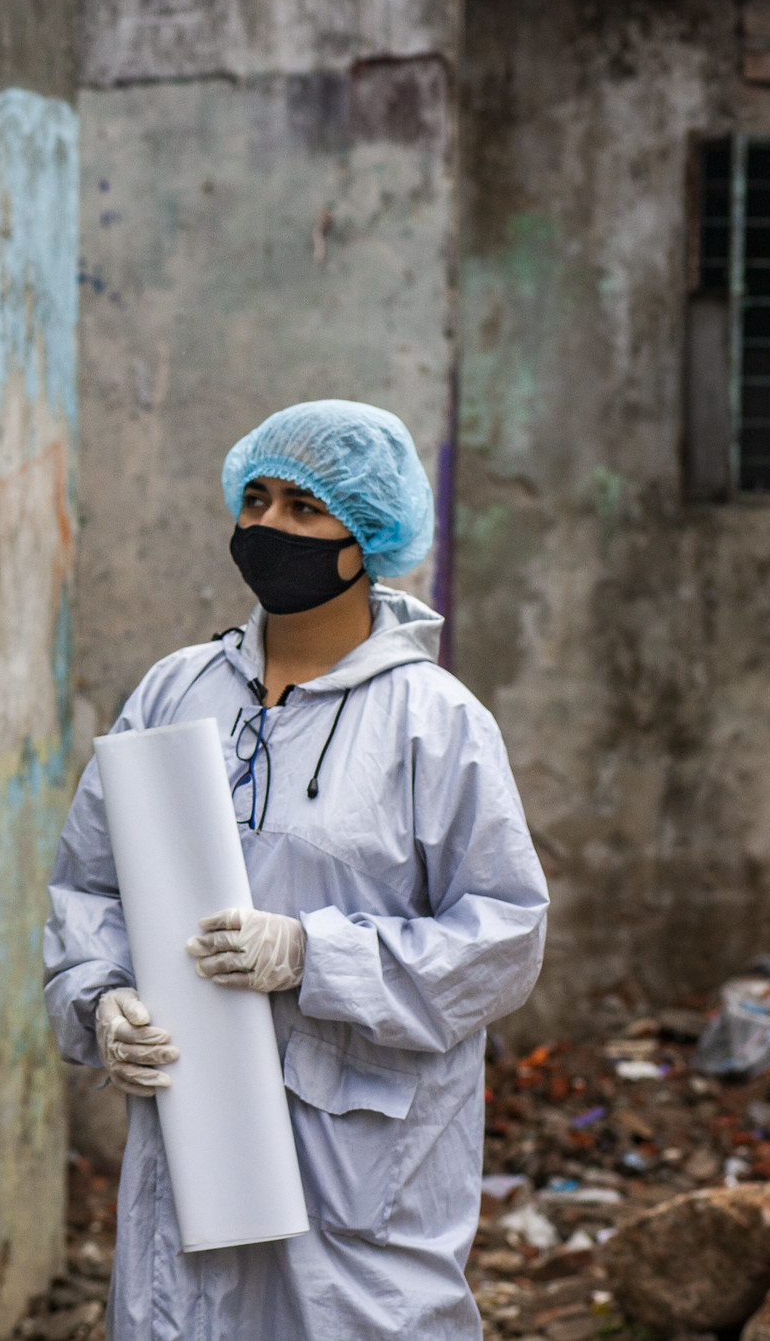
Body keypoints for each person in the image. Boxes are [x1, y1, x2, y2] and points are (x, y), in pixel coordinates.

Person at [42, 400, 548, 1339]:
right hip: (194, 1138)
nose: (270, 526)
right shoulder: (174, 689)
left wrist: (314, 956)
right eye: (257, 500)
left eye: (307, 509)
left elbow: (504, 936)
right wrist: (99, 996)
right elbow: (90, 884)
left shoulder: (433, 722)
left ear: (368, 537)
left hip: (358, 1165)